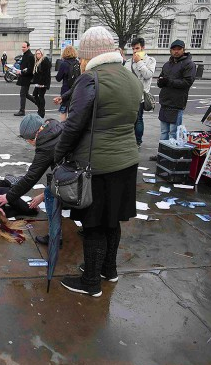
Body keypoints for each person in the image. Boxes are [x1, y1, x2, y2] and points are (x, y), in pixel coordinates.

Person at [54, 26, 142, 297]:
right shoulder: (129, 77)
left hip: (97, 166)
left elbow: (74, 124)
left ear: (89, 55)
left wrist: (58, 154)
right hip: (126, 162)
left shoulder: (91, 79)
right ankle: (108, 270)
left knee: (93, 224)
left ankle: (91, 282)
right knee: (112, 220)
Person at [0, 114, 64, 246]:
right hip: (78, 170)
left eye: (29, 140)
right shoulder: (54, 126)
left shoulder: (46, 144)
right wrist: (43, 194)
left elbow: (31, 177)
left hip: (73, 176)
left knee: (51, 198)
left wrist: (9, 196)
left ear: (35, 134)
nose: (29, 143)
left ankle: (55, 237)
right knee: (49, 192)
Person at [155, 39, 196, 144]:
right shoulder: (167, 64)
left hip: (177, 103)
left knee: (173, 132)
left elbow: (187, 82)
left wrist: (169, 81)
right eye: (174, 49)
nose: (176, 51)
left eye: (179, 49)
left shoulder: (189, 64)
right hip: (165, 102)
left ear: (183, 50)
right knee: (164, 131)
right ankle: (162, 153)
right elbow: (161, 79)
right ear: (170, 51)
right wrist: (161, 82)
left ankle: (170, 154)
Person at [124, 37, 156, 148]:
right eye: (133, 49)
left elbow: (148, 75)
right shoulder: (128, 62)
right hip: (129, 95)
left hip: (140, 95)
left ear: (143, 48)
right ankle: (129, 139)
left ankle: (137, 141)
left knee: (138, 119)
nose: (135, 51)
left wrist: (139, 63)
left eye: (137, 48)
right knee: (128, 119)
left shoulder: (151, 61)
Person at [54, 45, 79, 121]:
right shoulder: (78, 63)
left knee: (63, 110)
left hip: (65, 89)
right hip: (75, 89)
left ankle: (63, 126)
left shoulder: (64, 64)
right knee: (73, 109)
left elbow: (58, 78)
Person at [14, 41, 36, 116]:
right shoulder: (26, 54)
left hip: (27, 78)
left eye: (24, 47)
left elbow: (30, 69)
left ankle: (22, 111)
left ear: (28, 47)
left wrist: (21, 72)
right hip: (24, 77)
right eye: (22, 47)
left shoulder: (30, 56)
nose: (22, 48)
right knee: (25, 94)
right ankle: (38, 102)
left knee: (22, 93)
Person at [30, 49, 51, 118]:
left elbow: (46, 73)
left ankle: (42, 111)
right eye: (36, 54)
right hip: (38, 82)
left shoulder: (45, 60)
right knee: (35, 95)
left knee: (41, 96)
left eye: (39, 53)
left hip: (43, 82)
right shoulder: (37, 61)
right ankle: (40, 108)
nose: (37, 55)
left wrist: (43, 83)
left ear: (42, 54)